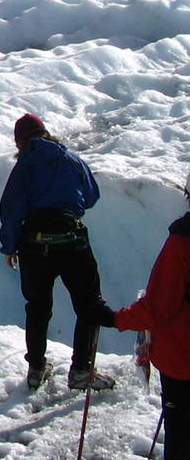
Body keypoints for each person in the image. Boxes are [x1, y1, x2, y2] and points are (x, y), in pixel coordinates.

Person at [0, 113, 111, 391]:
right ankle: (82, 370)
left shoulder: (24, 165)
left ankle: (36, 369)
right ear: (45, 132)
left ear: (19, 141)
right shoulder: (70, 159)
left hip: (34, 244)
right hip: (72, 238)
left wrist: (10, 246)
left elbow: (11, 209)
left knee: (37, 308)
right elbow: (92, 195)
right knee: (88, 305)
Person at [90, 170, 190, 459]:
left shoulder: (183, 243)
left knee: (182, 438)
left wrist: (113, 318)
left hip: (183, 361)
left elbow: (159, 306)